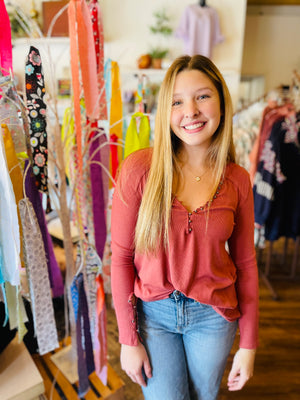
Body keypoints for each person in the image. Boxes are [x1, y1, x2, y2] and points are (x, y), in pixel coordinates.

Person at [111, 55, 259, 400]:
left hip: (214, 317)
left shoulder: (237, 180)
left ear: (221, 100)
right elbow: (120, 259)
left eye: (203, 96)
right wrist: (128, 340)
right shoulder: (139, 171)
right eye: (177, 101)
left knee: (203, 395)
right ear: (166, 110)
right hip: (154, 316)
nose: (190, 110)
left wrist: (248, 344)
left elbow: (246, 265)